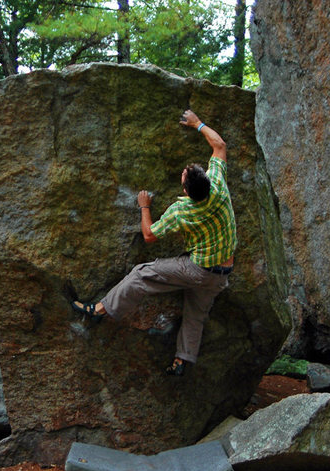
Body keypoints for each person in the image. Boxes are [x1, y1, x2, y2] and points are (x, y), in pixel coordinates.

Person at [72, 109, 237, 376]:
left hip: (197, 270)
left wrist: (144, 207)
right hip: (222, 274)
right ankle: (183, 360)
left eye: (184, 175)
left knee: (142, 274)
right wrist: (198, 124)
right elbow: (219, 145)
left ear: (186, 191)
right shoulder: (218, 186)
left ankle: (100, 309)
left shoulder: (181, 212)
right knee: (195, 315)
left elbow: (149, 236)